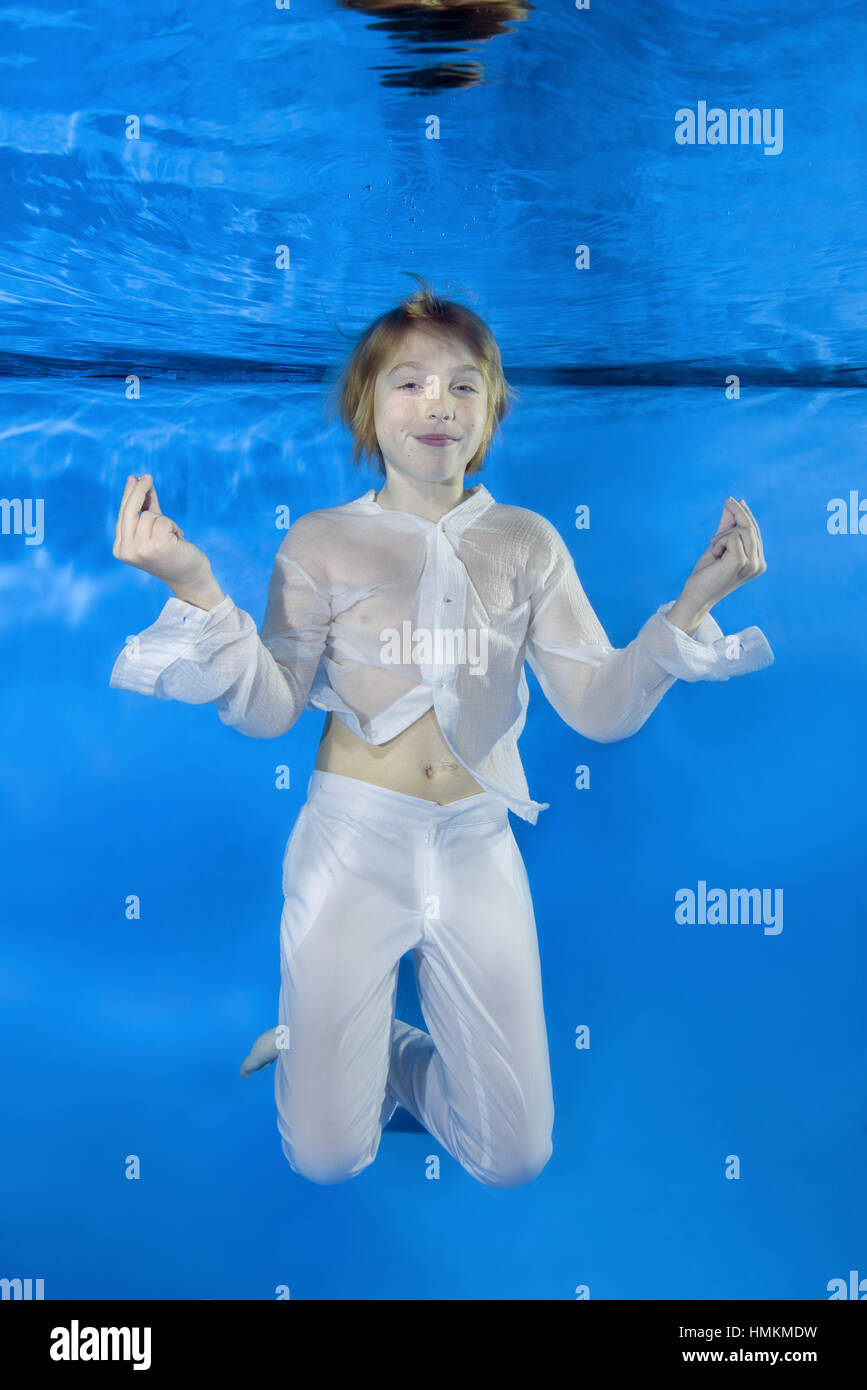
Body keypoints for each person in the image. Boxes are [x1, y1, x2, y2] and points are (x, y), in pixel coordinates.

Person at [109, 278, 773, 1188]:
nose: (438, 404)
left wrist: (692, 606)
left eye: (464, 386)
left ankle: (379, 1045)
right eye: (409, 383)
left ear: (491, 412)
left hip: (475, 842)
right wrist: (194, 588)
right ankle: (335, 1044)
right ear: (365, 407)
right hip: (351, 842)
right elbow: (268, 712)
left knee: (514, 1158)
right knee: (326, 1159)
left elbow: (598, 708)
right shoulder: (319, 543)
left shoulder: (528, 541)